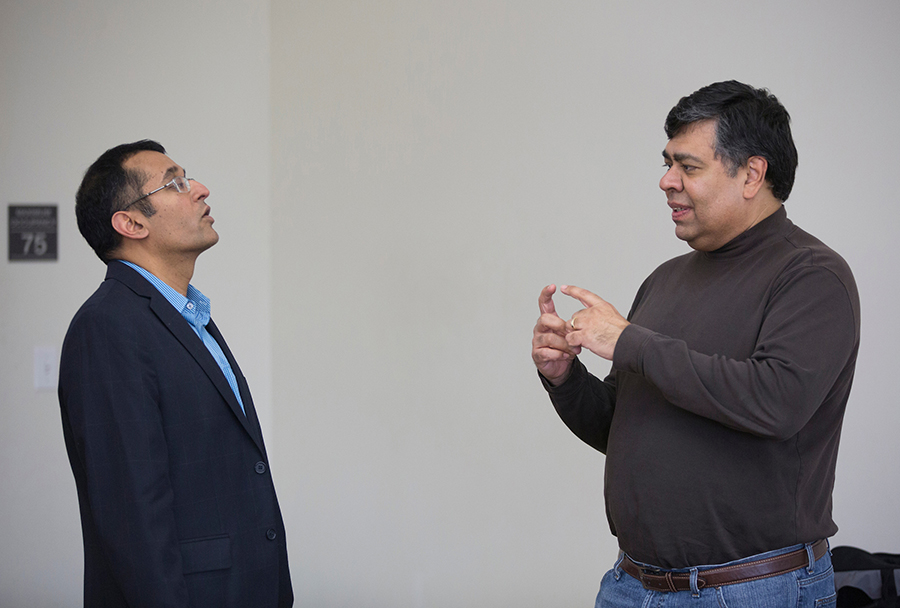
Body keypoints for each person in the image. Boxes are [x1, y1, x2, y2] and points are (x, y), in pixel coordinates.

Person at [531, 81, 860, 607]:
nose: (666, 181)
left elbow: (774, 402)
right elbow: (620, 426)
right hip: (632, 586)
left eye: (688, 166)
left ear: (752, 174)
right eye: (667, 164)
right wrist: (564, 378)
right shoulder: (664, 280)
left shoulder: (812, 275)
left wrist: (631, 342)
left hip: (753, 591)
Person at [58, 140, 293, 607]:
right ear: (131, 222)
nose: (201, 190)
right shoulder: (108, 326)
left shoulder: (187, 316)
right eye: (177, 183)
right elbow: (133, 515)